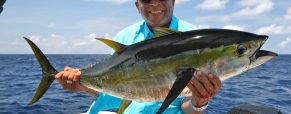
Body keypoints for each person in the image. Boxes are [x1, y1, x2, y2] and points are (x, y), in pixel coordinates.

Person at [55, 0, 222, 114]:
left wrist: (199, 101)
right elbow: (113, 89)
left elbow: (188, 108)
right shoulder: (125, 36)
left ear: (173, 0)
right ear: (137, 5)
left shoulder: (195, 38)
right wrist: (82, 85)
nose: (155, 3)